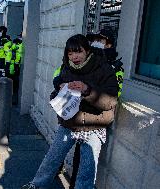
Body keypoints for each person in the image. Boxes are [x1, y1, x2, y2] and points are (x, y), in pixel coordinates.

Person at [21, 34, 118, 189]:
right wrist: (58, 95)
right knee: (52, 158)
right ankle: (36, 185)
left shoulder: (104, 69)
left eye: (78, 52)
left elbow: (111, 101)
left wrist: (87, 90)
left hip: (94, 126)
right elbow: (56, 93)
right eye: (70, 53)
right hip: (70, 123)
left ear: (87, 50)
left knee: (87, 169)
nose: (74, 57)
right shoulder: (66, 68)